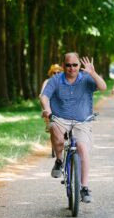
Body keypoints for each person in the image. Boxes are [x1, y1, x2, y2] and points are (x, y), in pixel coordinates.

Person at [40, 52, 107, 203]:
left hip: (82, 121)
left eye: (75, 65)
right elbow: (44, 97)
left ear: (79, 65)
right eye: (68, 65)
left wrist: (93, 73)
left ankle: (84, 187)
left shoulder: (87, 78)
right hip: (60, 119)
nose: (72, 68)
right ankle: (59, 161)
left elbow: (103, 87)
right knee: (56, 134)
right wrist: (47, 109)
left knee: (83, 149)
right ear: (63, 66)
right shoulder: (55, 80)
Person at [40, 64, 63, 132]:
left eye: (58, 72)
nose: (56, 74)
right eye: (54, 72)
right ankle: (48, 121)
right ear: (51, 74)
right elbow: (42, 94)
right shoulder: (47, 81)